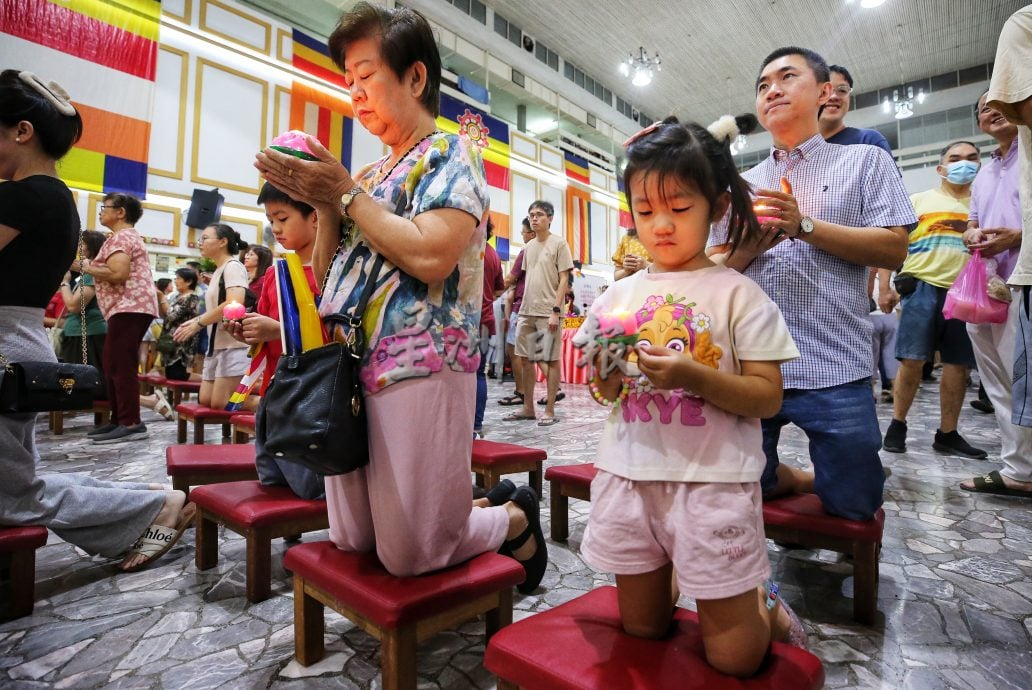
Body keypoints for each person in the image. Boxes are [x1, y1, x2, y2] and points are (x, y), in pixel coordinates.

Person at [254, 2, 546, 590]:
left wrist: (344, 194)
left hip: (425, 362)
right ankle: (486, 513)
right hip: (351, 366)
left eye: (366, 76)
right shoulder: (367, 177)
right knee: (353, 536)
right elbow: (328, 270)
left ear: (415, 77)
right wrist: (325, 201)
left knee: (413, 550)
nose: (355, 93)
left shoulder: (450, 155)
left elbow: (432, 255)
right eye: (349, 81)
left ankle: (510, 517)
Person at [575, 115, 805, 676]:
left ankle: (764, 603)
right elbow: (607, 391)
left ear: (717, 206)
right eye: (645, 211)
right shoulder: (617, 295)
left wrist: (692, 376)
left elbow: (767, 398)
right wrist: (602, 366)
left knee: (737, 659)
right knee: (644, 628)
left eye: (679, 209)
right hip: (631, 477)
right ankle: (685, 568)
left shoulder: (738, 295)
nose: (660, 226)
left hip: (713, 483)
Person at [709, 47, 915, 521]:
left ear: (825, 93)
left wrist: (804, 226)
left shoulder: (865, 161)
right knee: (739, 488)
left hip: (832, 362)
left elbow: (894, 248)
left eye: (786, 78)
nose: (772, 90)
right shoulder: (742, 184)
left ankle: (834, 482)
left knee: (855, 504)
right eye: (763, 86)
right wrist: (750, 248)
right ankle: (799, 478)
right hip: (753, 365)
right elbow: (713, 265)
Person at [0, 69, 193, 572]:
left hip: (26, 335)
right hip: (24, 333)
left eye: (110, 205)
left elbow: (121, 273)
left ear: (23, 131)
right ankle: (141, 492)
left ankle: (146, 494)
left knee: (12, 495)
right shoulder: (56, 200)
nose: (104, 210)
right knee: (18, 482)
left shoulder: (33, 197)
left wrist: (92, 271)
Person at [881, 141, 987, 458]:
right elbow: (892, 246)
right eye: (955, 159)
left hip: (965, 292)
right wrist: (885, 286)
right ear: (940, 168)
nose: (963, 164)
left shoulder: (981, 207)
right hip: (921, 287)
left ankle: (948, 433)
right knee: (911, 360)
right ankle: (897, 424)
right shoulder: (918, 201)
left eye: (971, 158)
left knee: (958, 365)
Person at [226, 182, 325, 499]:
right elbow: (267, 332)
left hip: (312, 397)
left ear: (315, 217)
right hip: (274, 389)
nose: (276, 229)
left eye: (283, 218)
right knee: (271, 480)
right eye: (271, 220)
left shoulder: (332, 273)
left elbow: (335, 339)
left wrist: (276, 330)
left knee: (309, 488)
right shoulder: (276, 274)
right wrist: (247, 332)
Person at [959, 89, 1032, 497]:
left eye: (996, 101)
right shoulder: (985, 172)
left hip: (1023, 277)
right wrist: (972, 232)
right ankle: (1017, 468)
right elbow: (972, 219)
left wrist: (1018, 237)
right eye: (982, 108)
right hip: (987, 284)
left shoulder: (1030, 155)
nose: (990, 110)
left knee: (1023, 379)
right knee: (997, 380)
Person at [74, 192, 158, 444]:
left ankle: (131, 422)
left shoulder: (123, 237)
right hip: (124, 307)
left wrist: (84, 266)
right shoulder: (118, 237)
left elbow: (118, 273)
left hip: (131, 306)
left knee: (121, 364)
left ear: (120, 212)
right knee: (113, 364)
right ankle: (119, 419)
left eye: (105, 207)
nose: (101, 212)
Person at [506, 200, 573, 427]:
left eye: (540, 215)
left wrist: (556, 311)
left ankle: (550, 409)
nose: (534, 218)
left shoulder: (559, 244)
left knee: (550, 360)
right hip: (526, 310)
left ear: (550, 218)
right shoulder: (529, 247)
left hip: (548, 312)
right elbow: (525, 279)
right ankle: (528, 408)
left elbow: (564, 279)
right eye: (531, 215)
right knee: (525, 359)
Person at [173, 223, 249, 410]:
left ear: (223, 241)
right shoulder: (218, 270)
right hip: (215, 345)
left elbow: (235, 303)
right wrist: (195, 321)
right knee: (206, 399)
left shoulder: (233, 266)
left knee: (221, 402)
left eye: (205, 238)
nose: (200, 243)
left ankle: (270, 407)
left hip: (233, 344)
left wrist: (198, 322)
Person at [58, 229, 107, 392]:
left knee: (96, 385)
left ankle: (150, 402)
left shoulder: (92, 273)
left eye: (82, 243)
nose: (79, 247)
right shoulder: (88, 272)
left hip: (87, 333)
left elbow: (74, 306)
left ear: (91, 247)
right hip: (81, 332)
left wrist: (64, 283)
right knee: (87, 384)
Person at [497, 218, 535, 406]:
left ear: (532, 233)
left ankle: (522, 392)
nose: (523, 235)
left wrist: (491, 293)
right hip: (534, 307)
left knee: (515, 350)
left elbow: (510, 278)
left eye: (523, 232)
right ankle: (526, 393)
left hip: (521, 308)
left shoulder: (527, 251)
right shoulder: (546, 250)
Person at [819, 65, 893, 155]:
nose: (833, 96)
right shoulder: (800, 150)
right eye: (825, 91)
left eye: (842, 90)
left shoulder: (869, 142)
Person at [475, 218, 504, 437]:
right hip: (485, 320)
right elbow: (498, 291)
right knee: (479, 375)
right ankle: (476, 424)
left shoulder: (466, 249)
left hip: (463, 323)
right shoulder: (493, 254)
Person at [161, 267, 200, 381]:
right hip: (171, 341)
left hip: (181, 342)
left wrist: (162, 298)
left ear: (189, 281)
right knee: (170, 374)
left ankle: (209, 381)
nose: (176, 281)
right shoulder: (179, 297)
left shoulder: (191, 297)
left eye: (178, 278)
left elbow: (173, 315)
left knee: (178, 375)